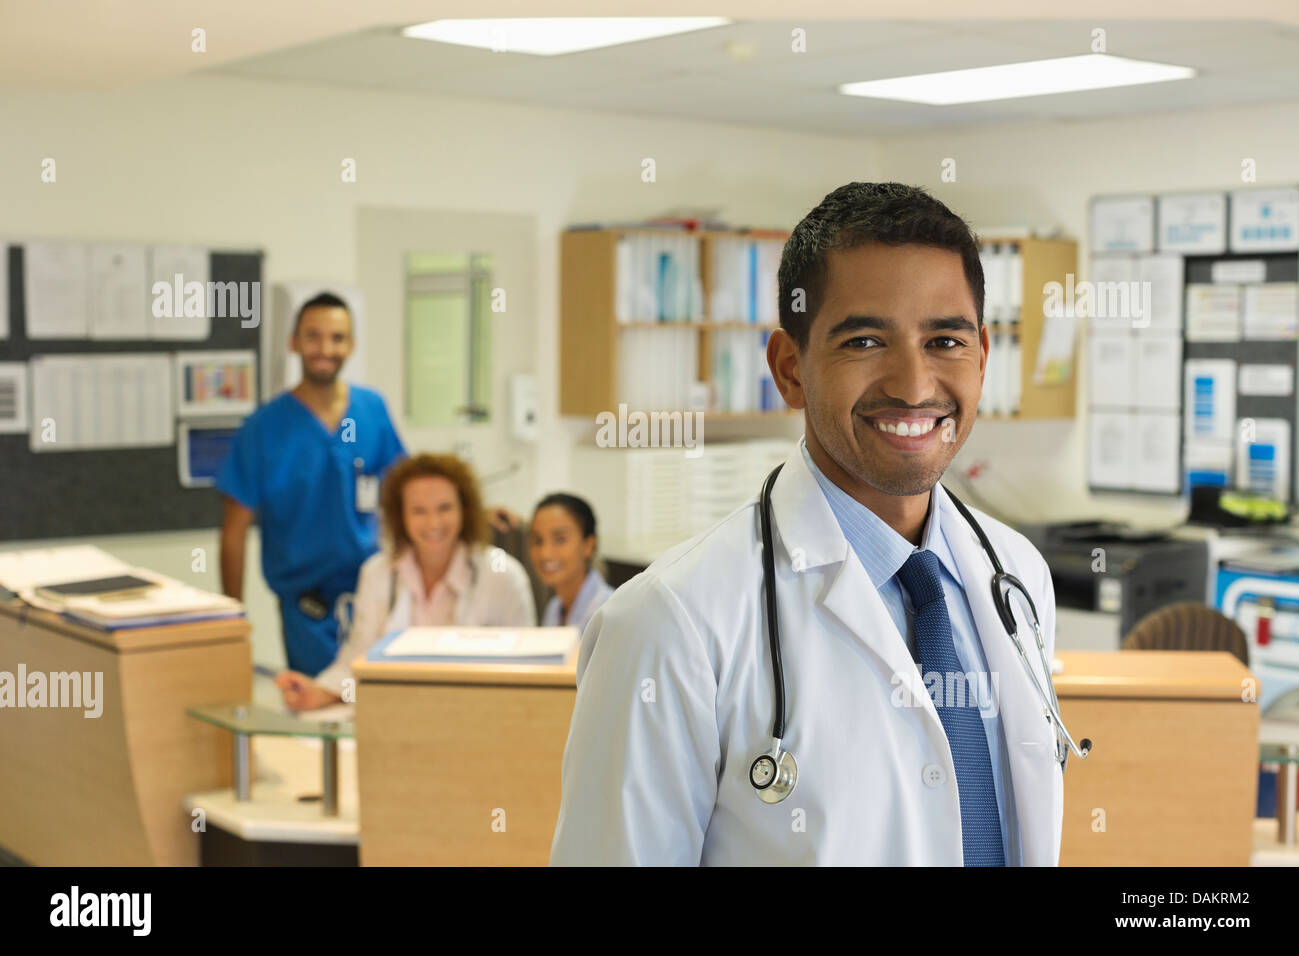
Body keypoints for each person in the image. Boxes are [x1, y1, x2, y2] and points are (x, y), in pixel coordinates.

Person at [550, 182, 1067, 866]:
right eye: (864, 340)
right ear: (790, 370)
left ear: (982, 358)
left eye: (945, 339)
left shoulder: (1017, 576)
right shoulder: (669, 622)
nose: (914, 385)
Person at [218, 292, 406, 678]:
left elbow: (409, 493)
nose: (325, 348)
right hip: (308, 609)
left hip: (374, 597)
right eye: (313, 336)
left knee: (380, 711)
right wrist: (232, 622)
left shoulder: (372, 411)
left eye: (337, 338)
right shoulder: (264, 428)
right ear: (293, 342)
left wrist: (473, 510)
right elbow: (233, 533)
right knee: (320, 714)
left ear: (352, 345)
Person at [278, 453, 537, 711]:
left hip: (479, 719)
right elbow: (355, 662)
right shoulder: (377, 572)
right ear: (400, 516)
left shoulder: (503, 576)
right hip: (397, 718)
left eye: (444, 508)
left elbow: (527, 674)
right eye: (419, 511)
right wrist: (320, 692)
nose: (433, 522)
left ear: (465, 510)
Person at [529, 493, 613, 636]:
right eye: (538, 540)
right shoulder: (554, 608)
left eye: (560, 539)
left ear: (589, 545)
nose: (545, 553)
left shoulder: (608, 612)